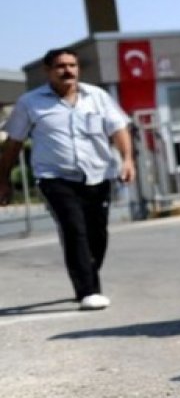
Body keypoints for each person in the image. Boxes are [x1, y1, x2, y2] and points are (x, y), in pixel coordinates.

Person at [0, 48, 134, 311]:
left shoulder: (98, 97)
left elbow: (118, 129)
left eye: (72, 65)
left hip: (98, 174)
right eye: (61, 66)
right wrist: (2, 179)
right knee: (74, 230)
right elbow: (14, 144)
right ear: (48, 71)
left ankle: (85, 274)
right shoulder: (30, 103)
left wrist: (127, 159)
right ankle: (88, 290)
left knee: (97, 235)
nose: (68, 71)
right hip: (55, 177)